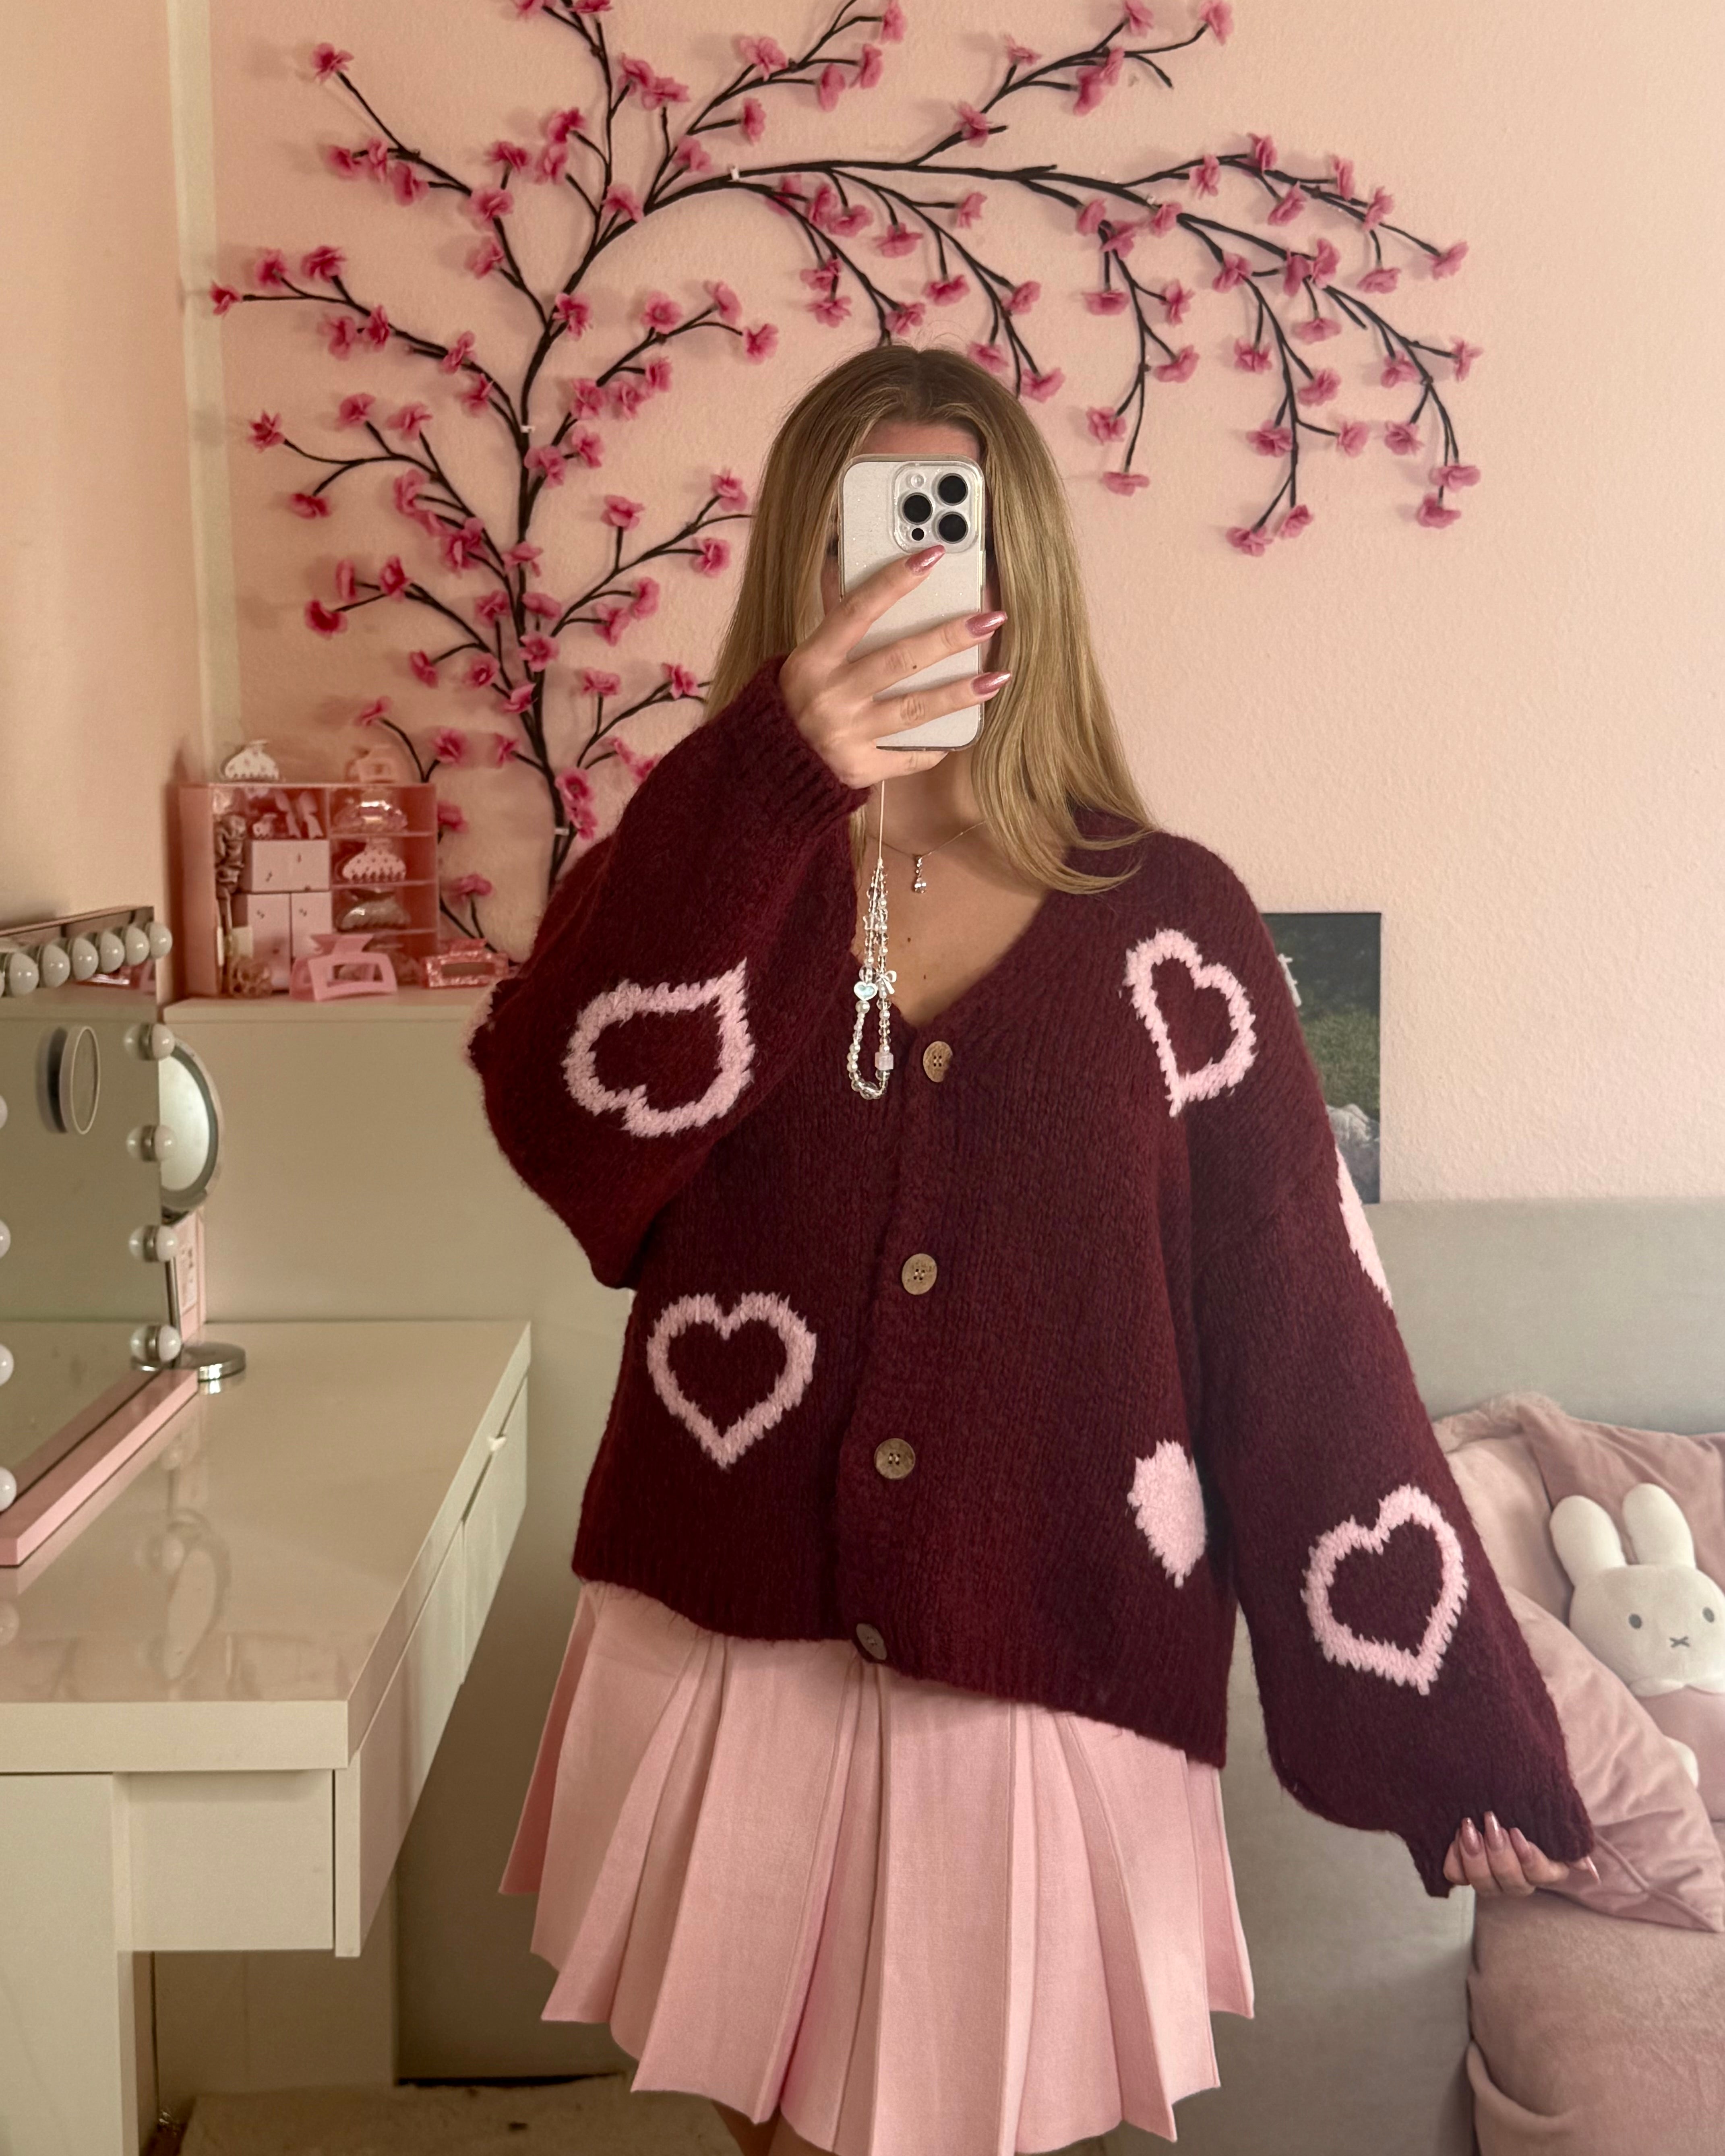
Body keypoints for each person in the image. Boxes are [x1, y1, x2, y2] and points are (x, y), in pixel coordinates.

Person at [465, 344, 1598, 2156]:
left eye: (957, 533)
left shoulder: (1169, 926)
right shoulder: (703, 874)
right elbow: (572, 1136)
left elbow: (1299, 1322)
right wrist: (770, 777)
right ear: (802, 562)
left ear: (1027, 575)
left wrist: (1454, 1723)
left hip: (1046, 1660)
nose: (917, 577)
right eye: (872, 534)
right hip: (737, 1647)